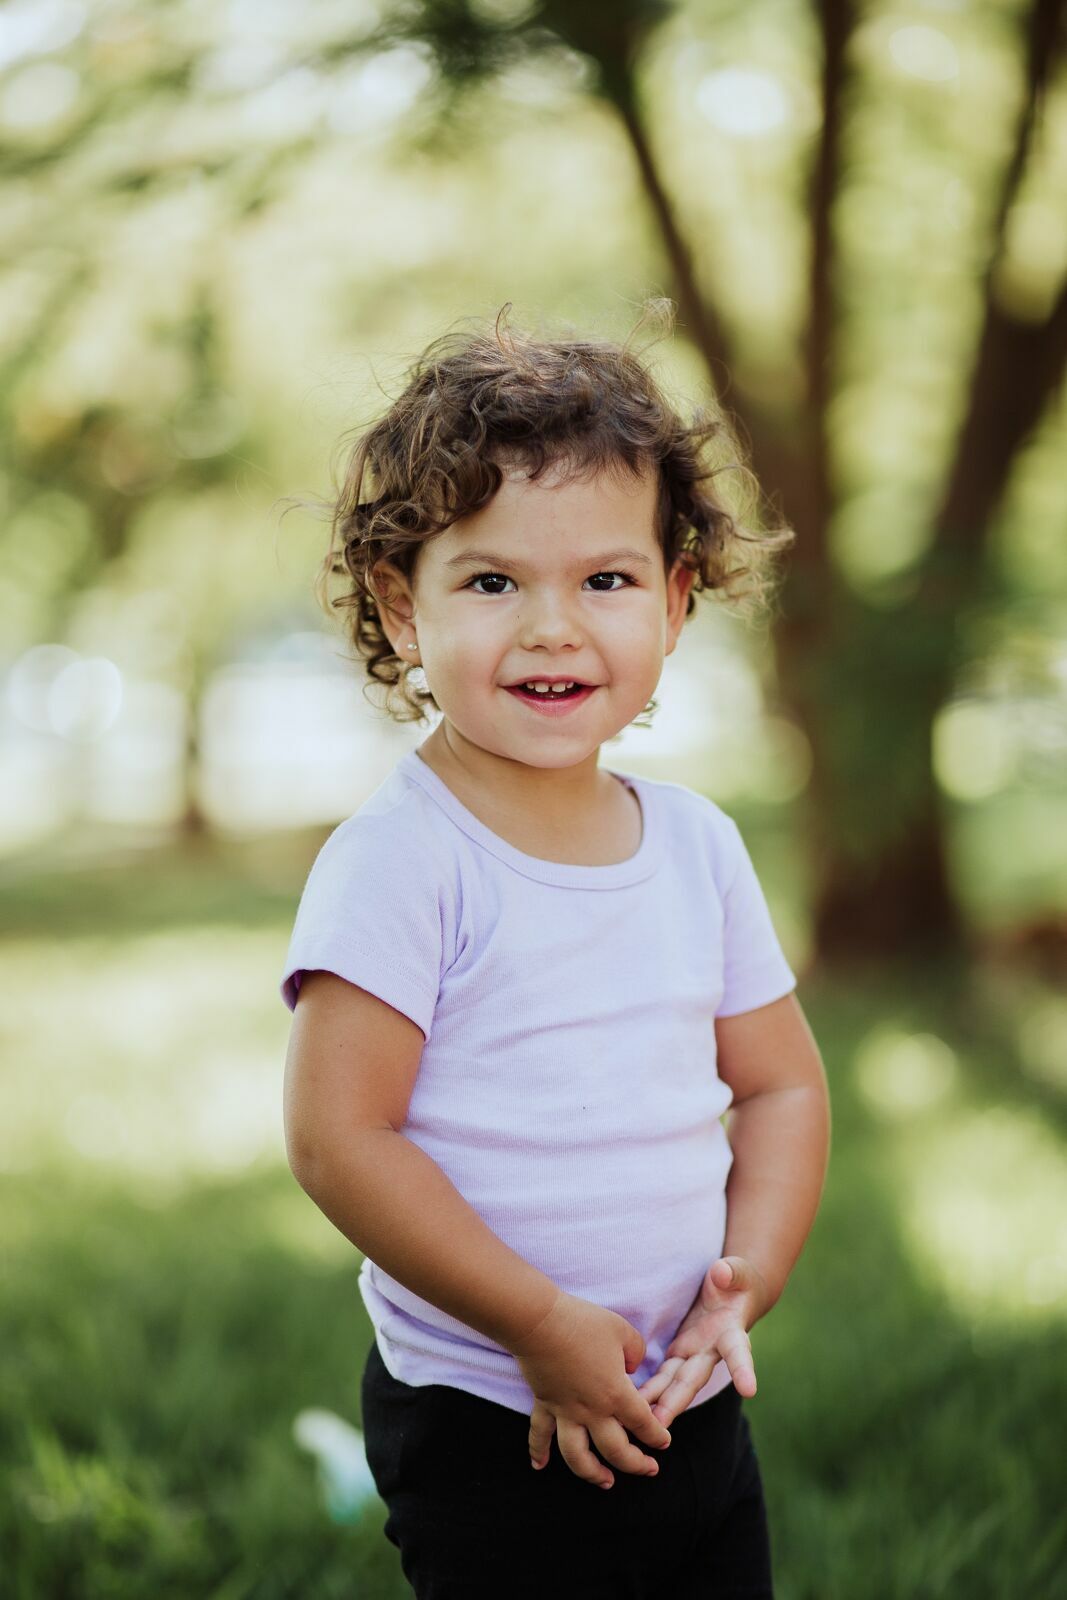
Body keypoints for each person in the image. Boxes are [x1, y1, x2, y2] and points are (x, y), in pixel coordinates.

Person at [279, 306, 831, 1599]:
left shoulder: (694, 846)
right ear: (400, 609)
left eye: (605, 579)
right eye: (489, 581)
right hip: (493, 1413)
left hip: (688, 1391)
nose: (551, 626)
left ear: (677, 601)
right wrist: (535, 1324)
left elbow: (781, 1084)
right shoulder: (404, 860)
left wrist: (744, 1283)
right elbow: (340, 1139)